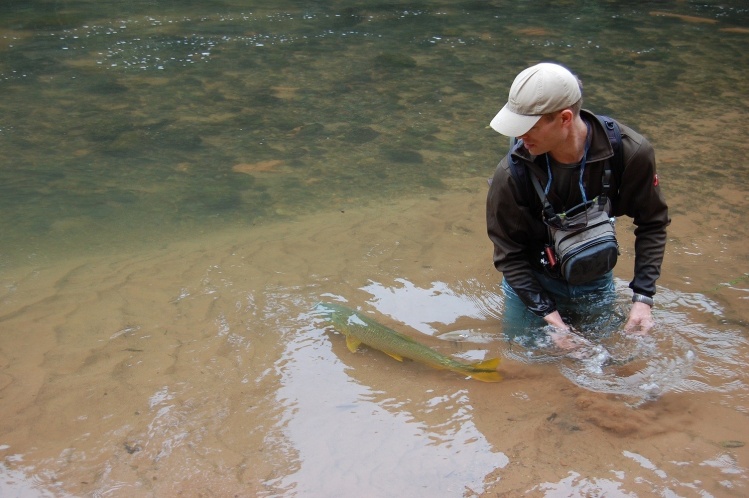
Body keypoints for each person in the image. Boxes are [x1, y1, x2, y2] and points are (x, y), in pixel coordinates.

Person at [486, 62, 669, 349]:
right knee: (526, 362)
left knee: (612, 359)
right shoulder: (511, 175)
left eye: (528, 127)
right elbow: (509, 256)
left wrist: (643, 299)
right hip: (532, 282)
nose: (519, 138)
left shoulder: (629, 153)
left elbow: (652, 222)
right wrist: (555, 323)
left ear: (565, 118)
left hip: (593, 277)